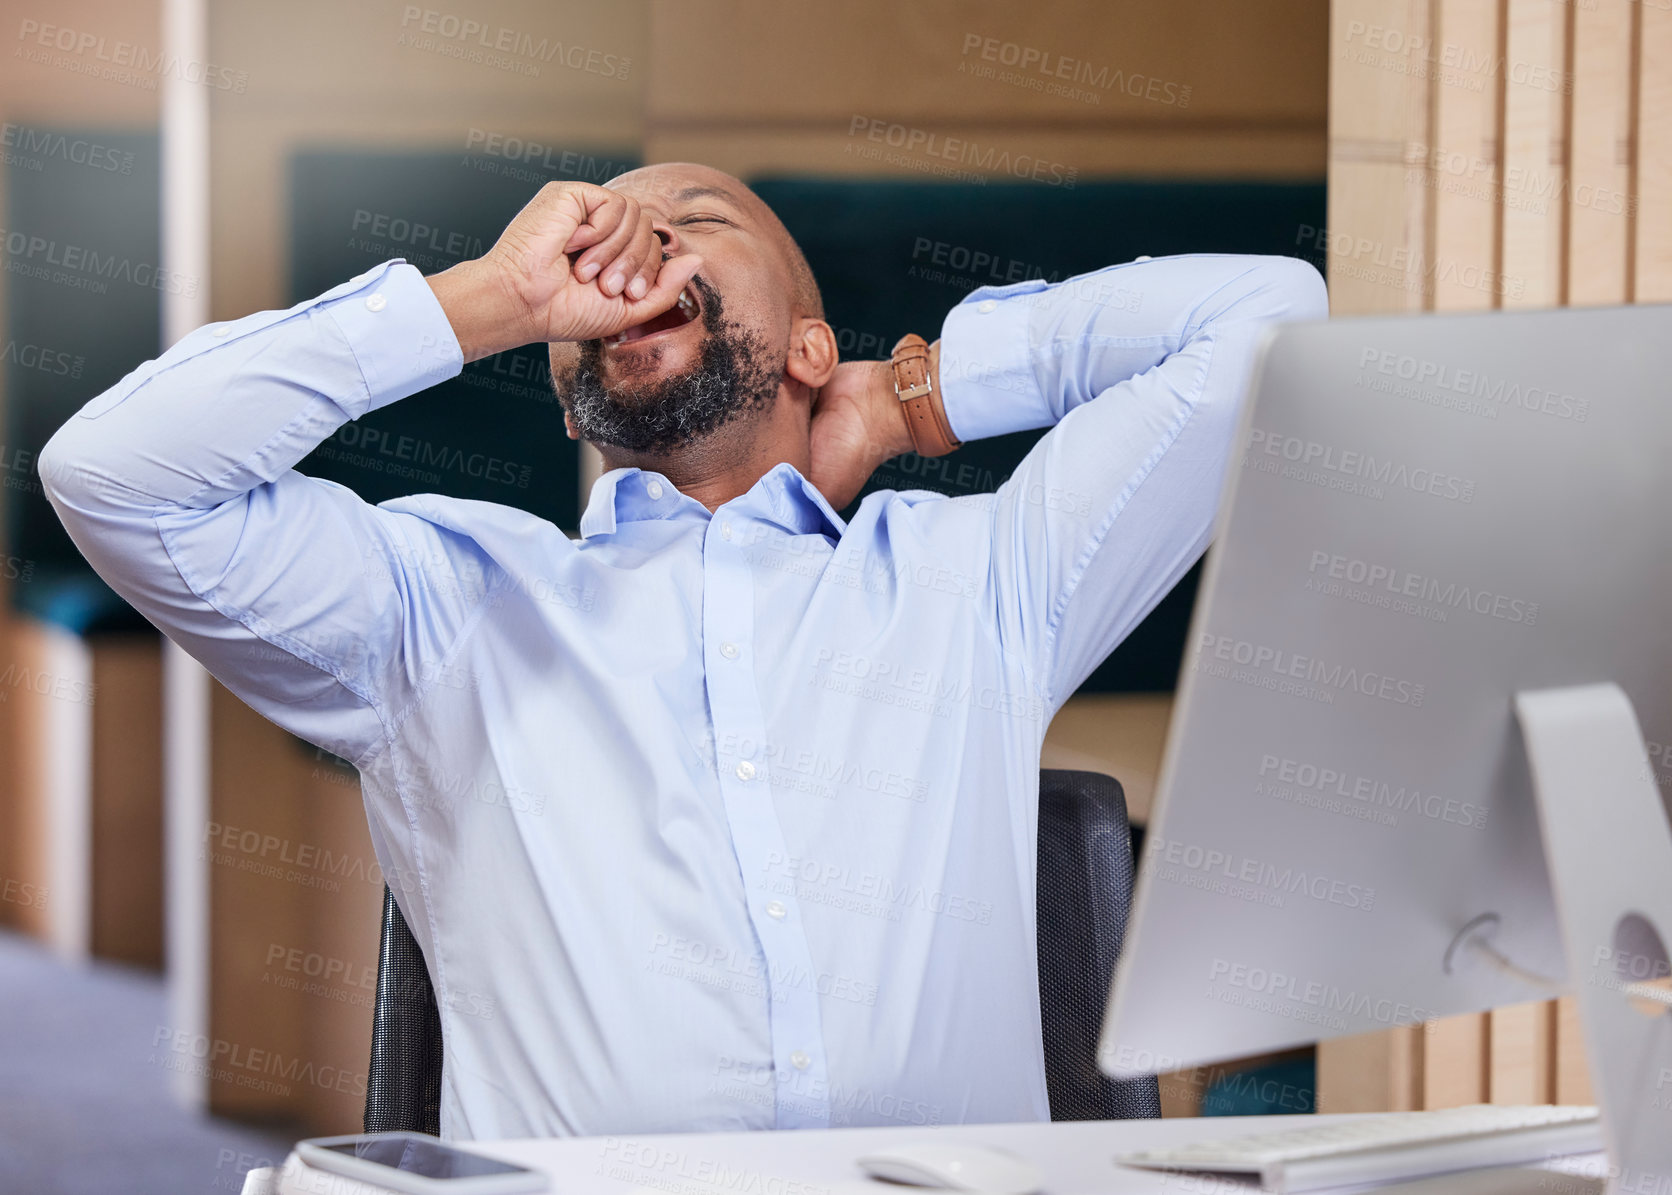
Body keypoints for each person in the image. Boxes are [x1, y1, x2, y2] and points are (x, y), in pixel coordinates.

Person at [40, 162, 1327, 1139]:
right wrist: (491, 296)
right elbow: (114, 476)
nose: (632, 241)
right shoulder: (437, 602)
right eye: (602, 232)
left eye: (692, 223)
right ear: (563, 373)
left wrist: (914, 395)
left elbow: (1268, 317)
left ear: (812, 344)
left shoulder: (979, 573)